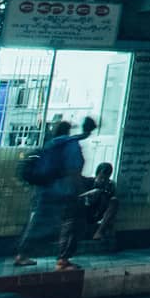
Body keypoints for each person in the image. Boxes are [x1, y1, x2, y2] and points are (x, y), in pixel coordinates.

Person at [14, 116, 97, 270]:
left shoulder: (51, 144)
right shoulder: (72, 145)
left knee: (39, 223)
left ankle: (22, 255)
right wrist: (81, 192)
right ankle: (63, 261)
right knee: (72, 225)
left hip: (46, 190)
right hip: (64, 191)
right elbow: (74, 171)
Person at [78, 162, 120, 251]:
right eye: (101, 177)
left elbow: (110, 200)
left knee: (114, 201)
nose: (103, 180)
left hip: (99, 211)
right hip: (85, 210)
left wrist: (104, 191)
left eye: (106, 178)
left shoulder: (110, 185)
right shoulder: (88, 182)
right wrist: (90, 194)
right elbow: (78, 197)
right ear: (97, 174)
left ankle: (99, 232)